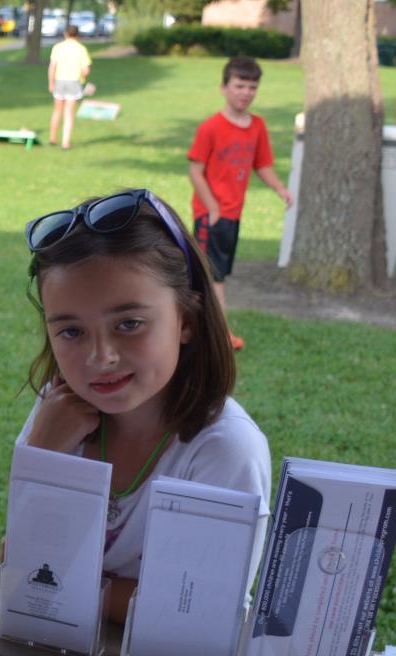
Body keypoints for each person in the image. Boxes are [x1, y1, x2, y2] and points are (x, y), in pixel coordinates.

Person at [16, 188, 271, 627]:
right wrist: (42, 455)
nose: (101, 357)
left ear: (187, 321)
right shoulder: (56, 413)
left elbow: (193, 611)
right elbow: (20, 562)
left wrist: (55, 582)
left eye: (129, 324)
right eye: (71, 332)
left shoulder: (224, 450)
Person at [187, 55, 292, 350]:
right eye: (240, 85)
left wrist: (280, 189)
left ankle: (199, 330)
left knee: (212, 275)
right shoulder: (211, 128)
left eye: (252, 87)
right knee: (212, 277)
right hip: (211, 216)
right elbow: (195, 171)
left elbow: (263, 165)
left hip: (233, 214)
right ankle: (220, 336)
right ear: (224, 87)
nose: (246, 92)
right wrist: (213, 208)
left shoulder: (257, 126)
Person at [47, 24, 94, 150]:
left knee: (57, 110)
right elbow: (86, 70)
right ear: (77, 35)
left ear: (65, 34)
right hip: (73, 82)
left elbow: (52, 67)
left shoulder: (58, 47)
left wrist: (51, 83)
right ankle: (65, 142)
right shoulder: (81, 49)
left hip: (59, 81)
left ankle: (52, 138)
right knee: (69, 113)